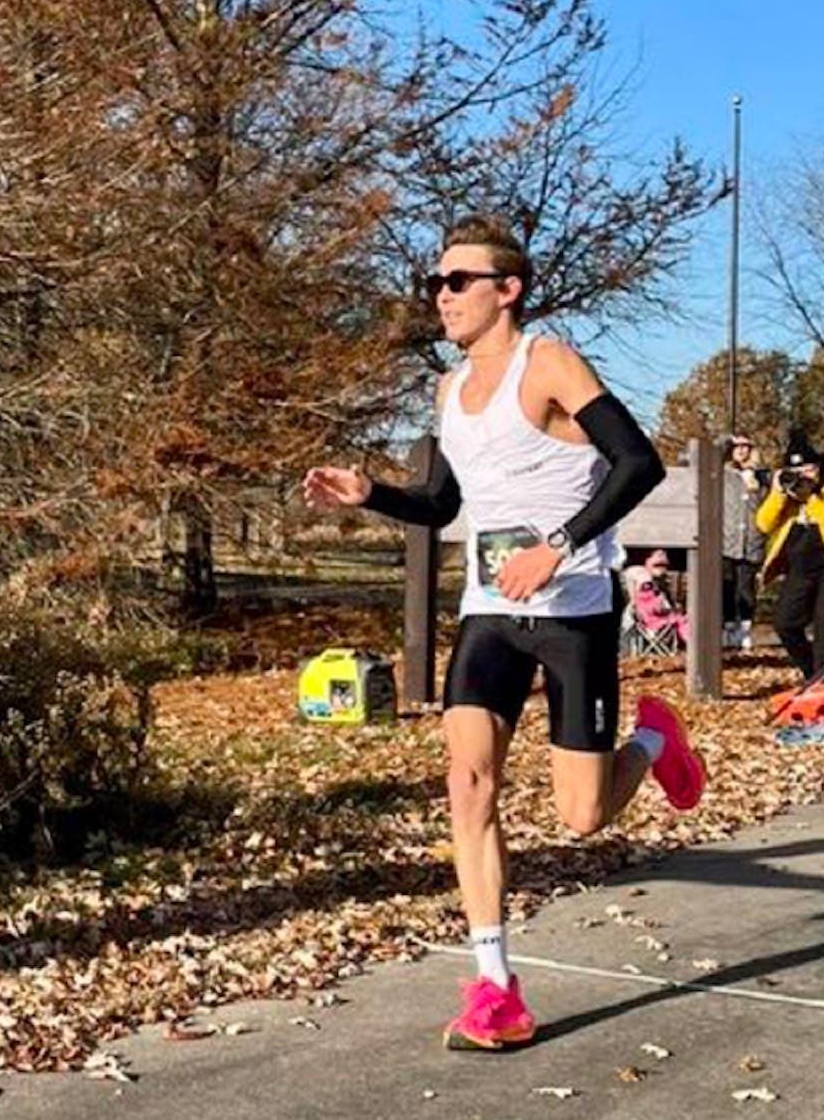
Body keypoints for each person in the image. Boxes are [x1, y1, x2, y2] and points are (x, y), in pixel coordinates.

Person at [301, 222, 706, 1052]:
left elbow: (640, 464)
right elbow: (444, 508)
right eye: (434, 283)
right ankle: (495, 987)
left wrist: (555, 546)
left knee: (583, 817)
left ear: (507, 289)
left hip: (574, 612)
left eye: (457, 280)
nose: (440, 295)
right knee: (468, 782)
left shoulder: (548, 364)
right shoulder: (449, 392)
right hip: (489, 612)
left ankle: (654, 740)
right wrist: (371, 491)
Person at [757, 433, 824, 683]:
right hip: (801, 567)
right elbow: (763, 523)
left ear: (819, 466)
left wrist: (811, 498)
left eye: (809, 469)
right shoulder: (788, 492)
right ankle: (813, 674)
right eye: (797, 471)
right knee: (785, 623)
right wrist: (780, 493)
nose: (805, 476)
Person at [719, 435, 765, 649]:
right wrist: (725, 440)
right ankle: (727, 628)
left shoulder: (762, 476)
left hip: (751, 541)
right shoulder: (723, 474)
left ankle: (744, 630)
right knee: (726, 586)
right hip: (726, 541)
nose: (741, 450)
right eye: (737, 446)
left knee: (746, 588)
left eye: (746, 446)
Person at [626, 549, 688, 649]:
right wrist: (667, 609)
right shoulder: (645, 589)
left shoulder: (658, 587)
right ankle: (690, 642)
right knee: (682, 621)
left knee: (682, 619)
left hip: (656, 620)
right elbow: (653, 608)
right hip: (653, 621)